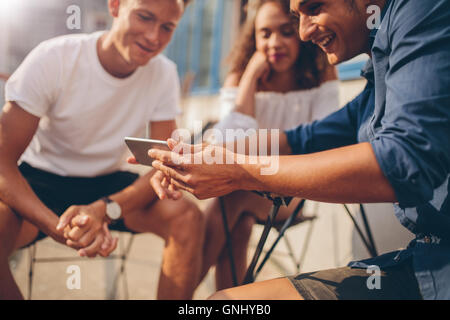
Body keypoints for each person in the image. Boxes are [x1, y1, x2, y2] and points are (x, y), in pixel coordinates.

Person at [148, 0, 450, 300]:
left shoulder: (423, 11)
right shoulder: (379, 75)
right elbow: (301, 138)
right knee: (226, 299)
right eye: (295, 18)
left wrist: (240, 170)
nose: (304, 32)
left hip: (429, 267)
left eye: (315, 7)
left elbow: (403, 162)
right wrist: (204, 155)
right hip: (422, 260)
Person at [0, 0, 204, 300]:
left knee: (187, 217)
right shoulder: (54, 57)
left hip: (107, 184)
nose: (153, 37)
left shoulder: (163, 73)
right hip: (42, 181)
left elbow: (161, 167)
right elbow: (2, 164)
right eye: (145, 17)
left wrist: (107, 209)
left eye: (167, 27)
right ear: (115, 6)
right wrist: (58, 227)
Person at [197, 0, 339, 290]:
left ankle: (181, 294)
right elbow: (227, 142)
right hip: (244, 185)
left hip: (294, 188)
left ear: (301, 32)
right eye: (265, 33)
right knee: (239, 226)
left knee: (231, 199)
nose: (275, 42)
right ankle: (233, 301)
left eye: (286, 31)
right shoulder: (240, 78)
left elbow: (326, 142)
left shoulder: (321, 75)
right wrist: (249, 78)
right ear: (254, 38)